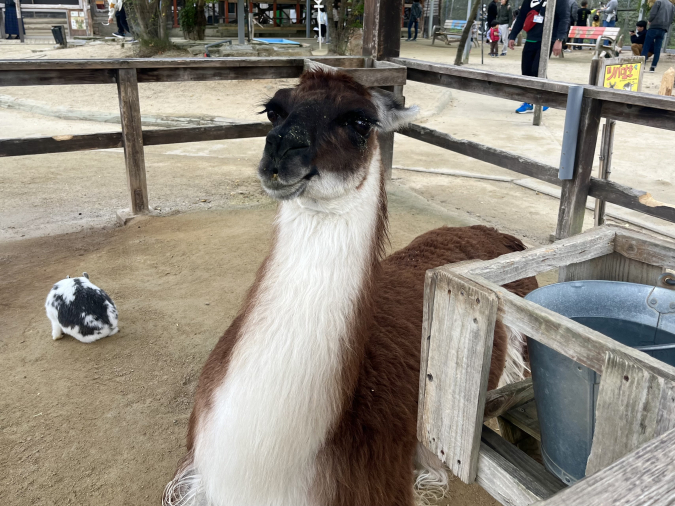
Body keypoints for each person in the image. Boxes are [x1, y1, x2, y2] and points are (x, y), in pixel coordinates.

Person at [509, 0, 569, 113]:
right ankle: (529, 101)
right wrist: (513, 35)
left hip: (548, 38)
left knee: (537, 69)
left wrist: (560, 39)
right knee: (526, 70)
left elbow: (564, 19)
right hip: (531, 38)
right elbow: (521, 17)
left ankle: (545, 99)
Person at [643, 0, 675, 72]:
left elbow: (653, 13)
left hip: (654, 26)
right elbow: (671, 18)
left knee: (646, 46)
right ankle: (653, 67)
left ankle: (643, 65)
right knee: (657, 48)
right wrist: (666, 26)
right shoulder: (672, 5)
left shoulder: (658, 2)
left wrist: (650, 20)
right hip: (663, 28)